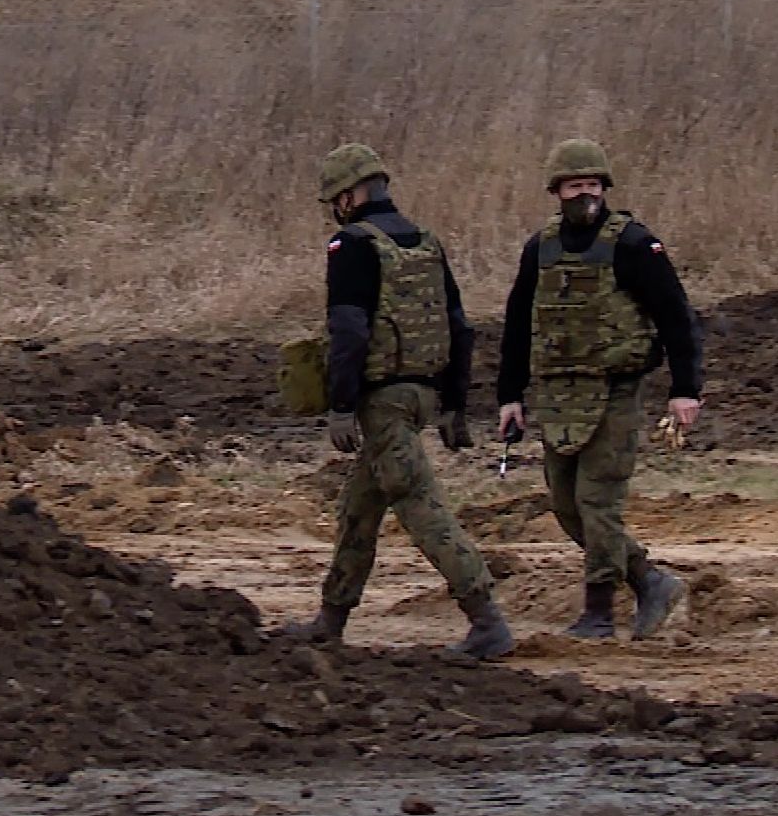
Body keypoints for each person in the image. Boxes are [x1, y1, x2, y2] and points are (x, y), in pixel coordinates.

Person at [286, 143, 514, 659]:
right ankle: (332, 616)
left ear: (348, 196)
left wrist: (341, 405)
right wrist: (455, 404)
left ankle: (486, 619)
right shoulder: (425, 242)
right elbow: (458, 325)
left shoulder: (352, 246)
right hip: (423, 395)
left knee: (420, 507)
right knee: (359, 509)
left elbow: (348, 329)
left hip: (382, 402)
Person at [497, 139, 704, 639]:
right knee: (566, 507)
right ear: (557, 191)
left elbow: (676, 317)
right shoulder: (540, 248)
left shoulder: (634, 244)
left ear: (605, 188)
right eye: (575, 185)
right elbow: (518, 324)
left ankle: (598, 613)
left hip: (616, 390)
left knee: (598, 502)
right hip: (558, 395)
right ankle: (649, 580)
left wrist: (685, 389)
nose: (585, 194)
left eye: (593, 185)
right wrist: (510, 395)